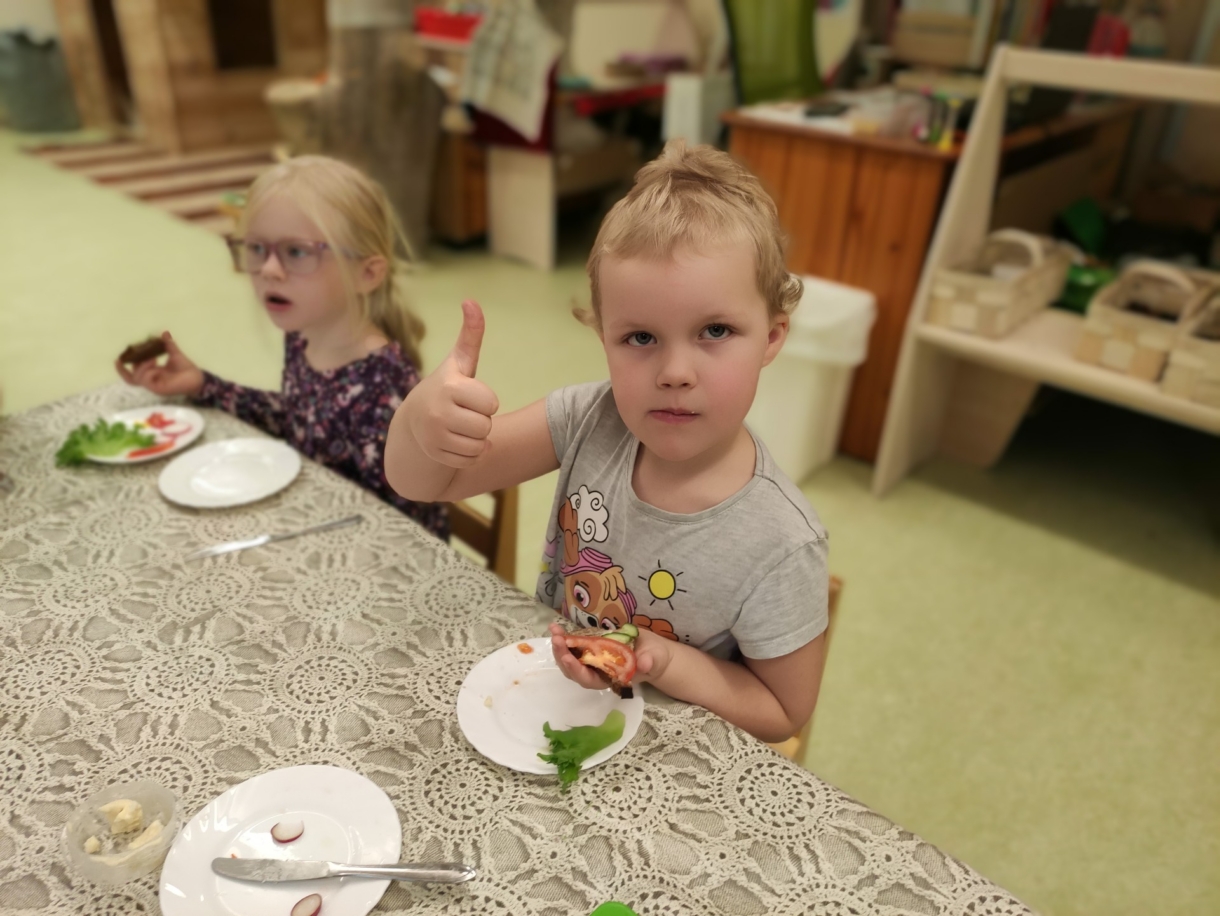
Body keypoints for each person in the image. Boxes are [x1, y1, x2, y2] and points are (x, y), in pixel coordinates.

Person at [385, 141, 829, 742]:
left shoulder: (784, 542)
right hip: (552, 711)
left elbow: (783, 713)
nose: (675, 372)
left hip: (670, 757)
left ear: (772, 337)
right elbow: (423, 482)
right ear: (603, 336)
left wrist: (668, 663)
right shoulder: (587, 419)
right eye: (640, 338)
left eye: (715, 330)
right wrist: (419, 421)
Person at [117, 156, 447, 539]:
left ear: (367, 273)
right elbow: (299, 419)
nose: (269, 270)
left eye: (297, 252)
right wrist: (203, 385)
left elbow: (401, 529)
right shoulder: (304, 334)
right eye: (256, 248)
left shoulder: (382, 387)